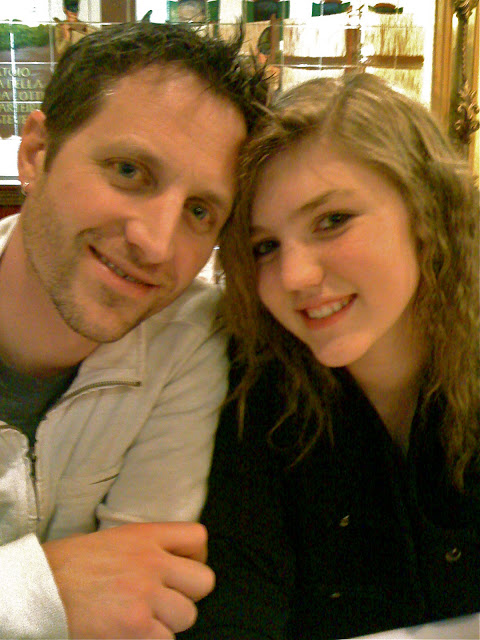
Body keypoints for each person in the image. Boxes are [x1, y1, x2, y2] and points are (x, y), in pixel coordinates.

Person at [181, 72, 480, 639]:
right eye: (265, 246)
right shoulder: (251, 390)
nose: (294, 276)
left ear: (427, 209)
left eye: (332, 221)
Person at [0, 21, 268, 640]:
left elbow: (132, 609)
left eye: (199, 211)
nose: (156, 244)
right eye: (129, 170)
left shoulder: (189, 336)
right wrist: (40, 593)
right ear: (36, 153)